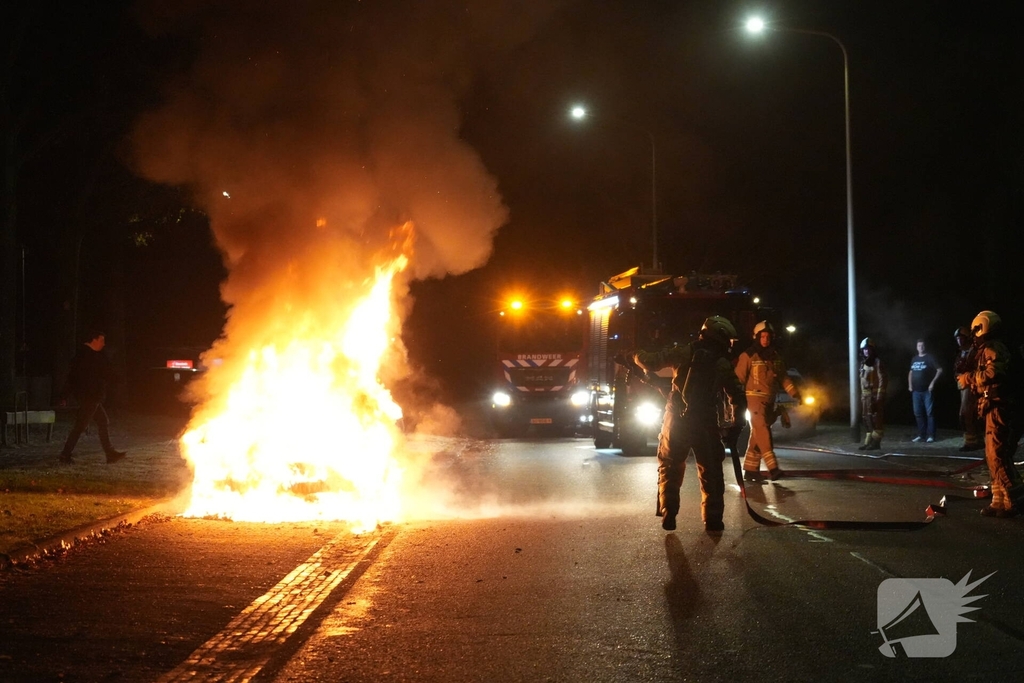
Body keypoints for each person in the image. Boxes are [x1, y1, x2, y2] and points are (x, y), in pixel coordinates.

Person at [634, 316, 747, 533]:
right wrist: (736, 424)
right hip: (705, 422)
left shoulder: (683, 352)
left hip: (676, 419)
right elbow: (737, 396)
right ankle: (713, 519)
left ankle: (668, 510)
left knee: (670, 465)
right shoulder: (721, 363)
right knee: (711, 471)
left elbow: (651, 361)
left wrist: (634, 354)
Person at [957, 311, 1022, 518]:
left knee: (999, 455)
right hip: (991, 408)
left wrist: (970, 378)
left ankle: (1015, 500)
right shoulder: (986, 349)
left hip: (999, 407)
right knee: (992, 456)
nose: (973, 336)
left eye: (975, 331)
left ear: (982, 327)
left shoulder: (994, 348)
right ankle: (998, 501)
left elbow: (995, 373)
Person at [734, 320, 802, 481]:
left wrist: (795, 393)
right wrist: (736, 401)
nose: (765, 339)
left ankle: (751, 470)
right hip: (754, 401)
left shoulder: (775, 357)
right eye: (762, 336)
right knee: (763, 432)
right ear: (756, 337)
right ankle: (773, 468)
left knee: (757, 435)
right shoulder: (748, 355)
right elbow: (738, 380)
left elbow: (784, 378)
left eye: (768, 336)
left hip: (770, 401)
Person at [58, 330, 127, 464]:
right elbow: (75, 377)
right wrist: (64, 396)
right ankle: (65, 454)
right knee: (81, 425)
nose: (103, 343)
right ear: (93, 340)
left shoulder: (90, 355)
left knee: (102, 421)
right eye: (101, 340)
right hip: (90, 396)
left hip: (91, 397)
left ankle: (110, 453)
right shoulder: (88, 356)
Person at [907, 339, 943, 443]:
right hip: (916, 391)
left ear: (924, 347)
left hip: (927, 391)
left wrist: (932, 383)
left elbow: (939, 370)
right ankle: (921, 435)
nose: (920, 347)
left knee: (930, 413)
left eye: (922, 346)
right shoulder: (914, 359)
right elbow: (910, 372)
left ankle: (931, 435)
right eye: (919, 346)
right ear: (916, 347)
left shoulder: (929, 358)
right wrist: (910, 385)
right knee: (918, 413)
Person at [954, 326, 983, 451]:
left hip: (971, 385)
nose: (959, 341)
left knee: (966, 414)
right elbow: (957, 368)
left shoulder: (973, 352)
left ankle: (972, 442)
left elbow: (978, 369)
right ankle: (975, 440)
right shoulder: (961, 352)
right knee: (967, 414)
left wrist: (968, 378)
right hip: (963, 385)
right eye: (957, 338)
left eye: (961, 338)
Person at [859, 337, 887, 450]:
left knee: (876, 418)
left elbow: (882, 379)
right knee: (866, 417)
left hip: (874, 395)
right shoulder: (863, 363)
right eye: (864, 349)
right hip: (865, 396)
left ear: (872, 349)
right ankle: (869, 441)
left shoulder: (877, 362)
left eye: (868, 349)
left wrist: (880, 395)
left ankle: (876, 442)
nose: (866, 351)